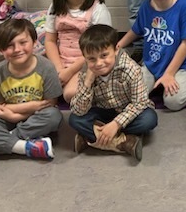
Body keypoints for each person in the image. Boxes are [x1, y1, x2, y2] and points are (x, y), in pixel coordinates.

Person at [0, 18, 62, 164]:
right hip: (7, 119)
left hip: (37, 118)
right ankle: (24, 146)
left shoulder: (46, 68)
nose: (17, 49)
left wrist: (16, 115)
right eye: (9, 46)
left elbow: (50, 104)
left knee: (53, 116)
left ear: (34, 42)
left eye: (23, 42)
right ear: (1, 50)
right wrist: (30, 107)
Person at [116, 0, 186, 111]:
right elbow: (136, 30)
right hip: (152, 64)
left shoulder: (185, 7)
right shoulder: (146, 7)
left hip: (180, 65)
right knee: (131, 95)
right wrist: (118, 46)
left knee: (173, 102)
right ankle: (158, 81)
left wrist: (169, 74)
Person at [68, 24, 158, 162]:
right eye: (91, 59)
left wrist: (116, 124)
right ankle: (123, 142)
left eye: (104, 55)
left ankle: (91, 139)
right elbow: (79, 110)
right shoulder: (86, 71)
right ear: (85, 57)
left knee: (149, 119)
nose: (98, 63)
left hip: (126, 111)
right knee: (75, 119)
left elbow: (140, 103)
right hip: (101, 112)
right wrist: (88, 82)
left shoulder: (130, 68)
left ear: (116, 49)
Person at [44, 0, 111, 102]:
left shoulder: (98, 9)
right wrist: (59, 70)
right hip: (60, 61)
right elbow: (50, 41)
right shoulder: (55, 7)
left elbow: (101, 49)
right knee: (37, 90)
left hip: (89, 60)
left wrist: (69, 72)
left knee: (71, 94)